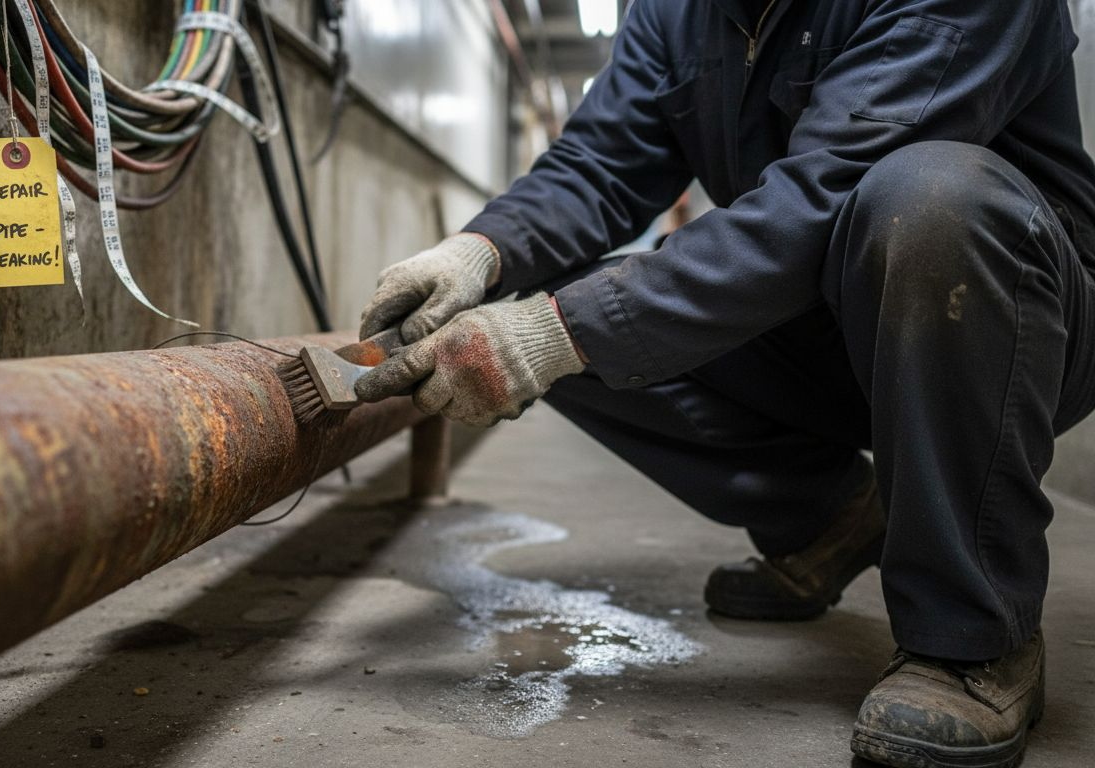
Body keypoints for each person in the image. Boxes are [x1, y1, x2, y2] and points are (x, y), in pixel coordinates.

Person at [352, 2, 1095, 767]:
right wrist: (480, 253)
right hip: (816, 306)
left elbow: (825, 192)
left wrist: (558, 331)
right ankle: (828, 518)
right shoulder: (678, 12)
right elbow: (599, 164)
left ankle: (971, 639)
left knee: (931, 198)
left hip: (996, 316)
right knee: (559, 303)